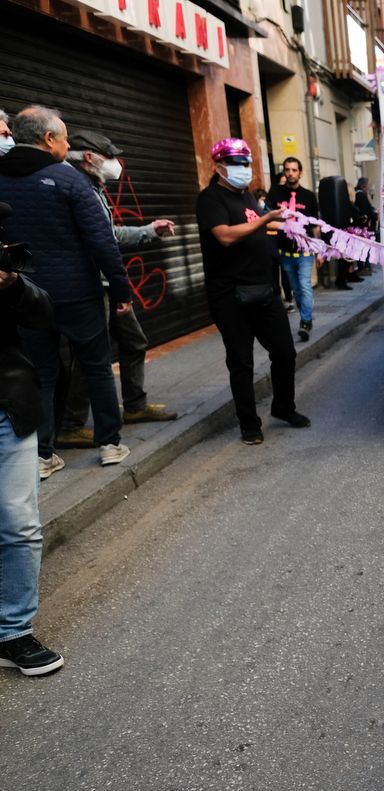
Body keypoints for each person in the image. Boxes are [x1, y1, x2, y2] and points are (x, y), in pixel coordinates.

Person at [0, 106, 132, 477]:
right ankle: (109, 443)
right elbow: (101, 241)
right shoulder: (68, 178)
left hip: (26, 297)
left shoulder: (1, 179)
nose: (68, 143)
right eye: (64, 137)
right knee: (97, 367)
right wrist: (121, 288)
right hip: (79, 294)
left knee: (40, 372)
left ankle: (43, 453)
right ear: (48, 139)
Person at [53, 130, 178, 449]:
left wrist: (149, 231)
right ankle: (70, 424)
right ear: (90, 159)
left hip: (110, 283)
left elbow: (108, 234)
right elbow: (99, 241)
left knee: (134, 341)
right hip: (94, 286)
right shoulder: (74, 189)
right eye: (109, 157)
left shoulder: (94, 187)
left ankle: (135, 405)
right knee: (89, 357)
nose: (116, 163)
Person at [196, 138, 310, 445]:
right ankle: (249, 424)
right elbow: (225, 236)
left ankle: (284, 408)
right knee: (241, 361)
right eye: (236, 163)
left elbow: (258, 228)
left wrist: (287, 226)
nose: (243, 169)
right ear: (219, 166)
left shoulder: (247, 197)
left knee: (285, 352)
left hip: (265, 291)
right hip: (231, 296)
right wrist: (267, 217)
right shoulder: (210, 200)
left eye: (246, 163)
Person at [0, 263, 65, 676]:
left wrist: (13, 283)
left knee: (20, 522)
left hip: (9, 406)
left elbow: (43, 314)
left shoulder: (8, 278)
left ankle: (13, 631)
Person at [266, 157, 320, 341]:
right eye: (287, 169)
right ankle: (306, 314)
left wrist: (319, 250)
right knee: (296, 289)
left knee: (304, 286)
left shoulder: (309, 196)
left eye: (294, 170)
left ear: (300, 172)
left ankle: (305, 321)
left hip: (304, 251)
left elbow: (315, 226)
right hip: (285, 252)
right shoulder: (275, 193)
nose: (290, 173)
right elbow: (265, 218)